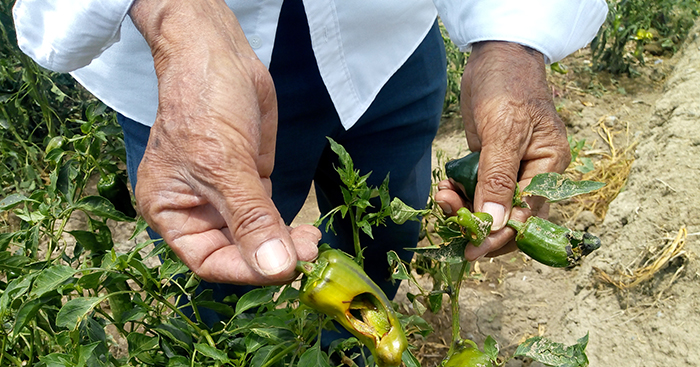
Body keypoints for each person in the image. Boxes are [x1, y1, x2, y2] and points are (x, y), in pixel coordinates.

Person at [13, 0, 607, 303]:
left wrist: (516, 37)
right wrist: (176, 15)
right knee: (216, 270)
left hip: (387, 36)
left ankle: (349, 364)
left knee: (387, 233)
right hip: (192, 70)